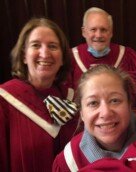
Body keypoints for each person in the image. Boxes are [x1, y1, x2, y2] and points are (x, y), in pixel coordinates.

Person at [0, 18, 78, 172]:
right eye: (36, 45)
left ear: (62, 58)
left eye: (53, 46)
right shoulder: (4, 101)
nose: (45, 53)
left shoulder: (71, 97)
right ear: (24, 56)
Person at [52, 64, 136, 171]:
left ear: (129, 104)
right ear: (82, 113)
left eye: (115, 100)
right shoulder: (67, 163)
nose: (105, 113)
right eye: (93, 103)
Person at [70, 7, 136, 96]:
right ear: (84, 32)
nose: (98, 35)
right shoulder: (71, 57)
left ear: (111, 32)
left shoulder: (126, 56)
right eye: (93, 29)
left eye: (103, 30)